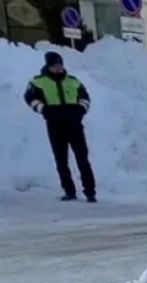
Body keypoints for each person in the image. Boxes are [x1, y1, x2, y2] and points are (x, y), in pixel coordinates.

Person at [24, 51, 96, 202]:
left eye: (60, 65)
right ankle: (69, 191)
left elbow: (85, 97)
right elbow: (30, 98)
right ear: (48, 66)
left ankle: (90, 192)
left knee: (83, 159)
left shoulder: (73, 81)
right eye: (55, 65)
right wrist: (44, 109)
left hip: (75, 125)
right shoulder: (38, 82)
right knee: (61, 160)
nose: (58, 68)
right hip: (55, 125)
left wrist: (80, 110)